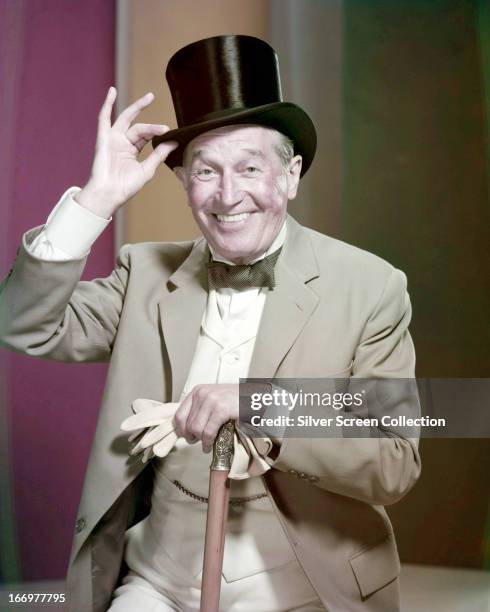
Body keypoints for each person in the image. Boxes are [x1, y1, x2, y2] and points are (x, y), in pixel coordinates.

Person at [0, 35, 421, 611]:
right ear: (182, 182)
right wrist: (95, 201)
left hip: (296, 587)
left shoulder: (371, 287)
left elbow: (394, 460)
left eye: (250, 168)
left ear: (292, 175)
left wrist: (263, 407)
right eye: (205, 172)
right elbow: (22, 324)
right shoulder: (142, 273)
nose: (228, 196)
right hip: (158, 578)